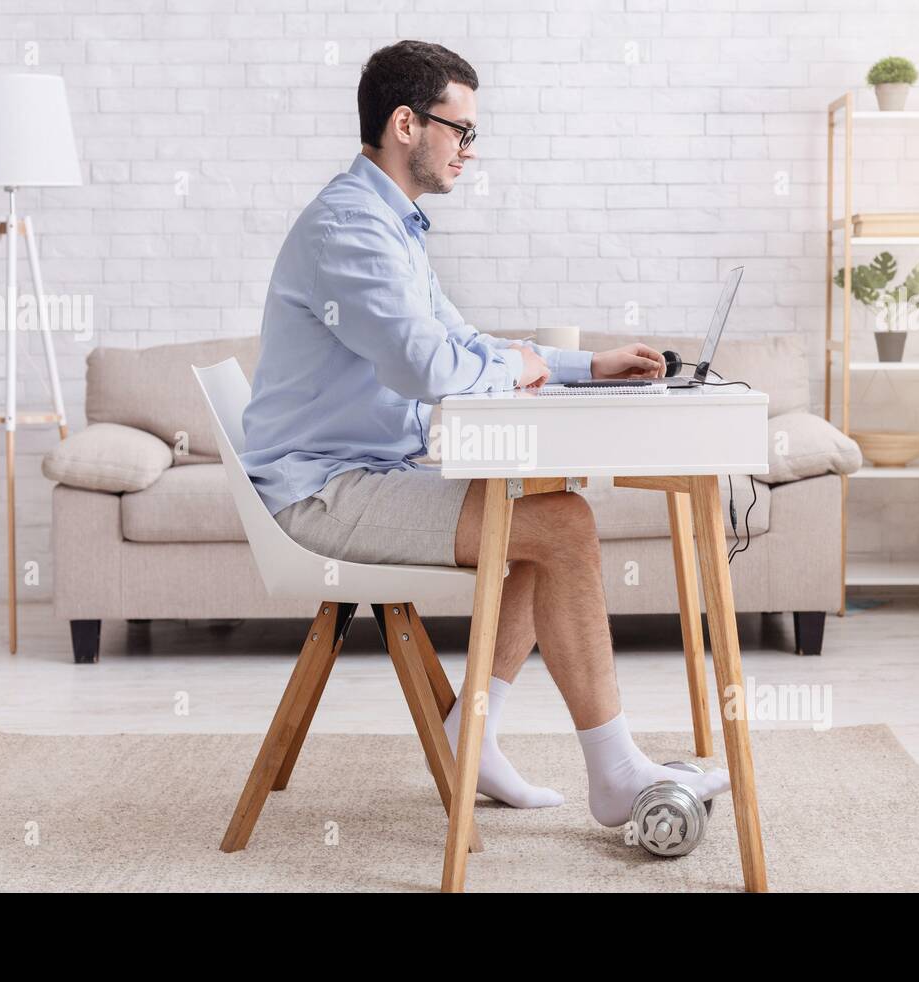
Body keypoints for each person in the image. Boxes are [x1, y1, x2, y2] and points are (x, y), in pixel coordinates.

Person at [242, 39, 731, 826]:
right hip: (322, 492)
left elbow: (464, 341)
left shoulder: (392, 224)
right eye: (460, 130)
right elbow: (426, 367)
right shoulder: (351, 228)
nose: (470, 149)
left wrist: (581, 366)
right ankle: (614, 773)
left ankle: (473, 736)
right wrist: (528, 371)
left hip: (363, 472)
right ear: (407, 124)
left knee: (546, 503)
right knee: (562, 525)